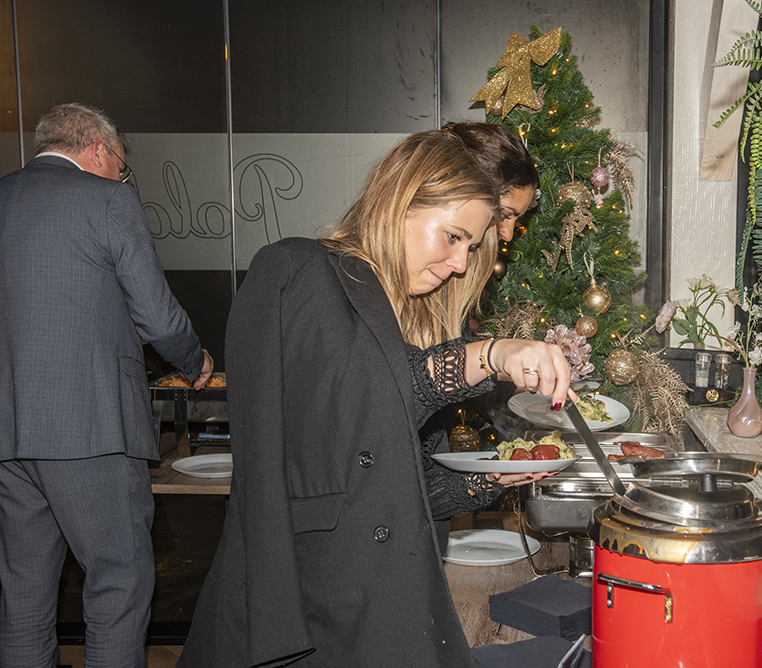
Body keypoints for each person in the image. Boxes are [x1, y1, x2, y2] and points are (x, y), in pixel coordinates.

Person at [178, 130, 573, 667]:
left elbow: (397, 493)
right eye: (453, 236)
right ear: (401, 200)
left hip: (384, 603)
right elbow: (360, 406)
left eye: (471, 247)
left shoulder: (411, 318)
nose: (460, 263)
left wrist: (489, 479)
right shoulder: (298, 271)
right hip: (306, 603)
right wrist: (490, 354)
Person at [0, 102, 214, 666]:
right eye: (121, 164)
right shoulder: (108, 200)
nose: (121, 176)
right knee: (118, 583)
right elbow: (159, 317)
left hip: (8, 435)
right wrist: (194, 360)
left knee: (23, 598)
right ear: (98, 149)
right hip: (89, 429)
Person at [423, 122, 542, 550]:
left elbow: (418, 491)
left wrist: (490, 477)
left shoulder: (448, 298)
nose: (507, 233)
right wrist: (491, 355)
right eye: (505, 214)